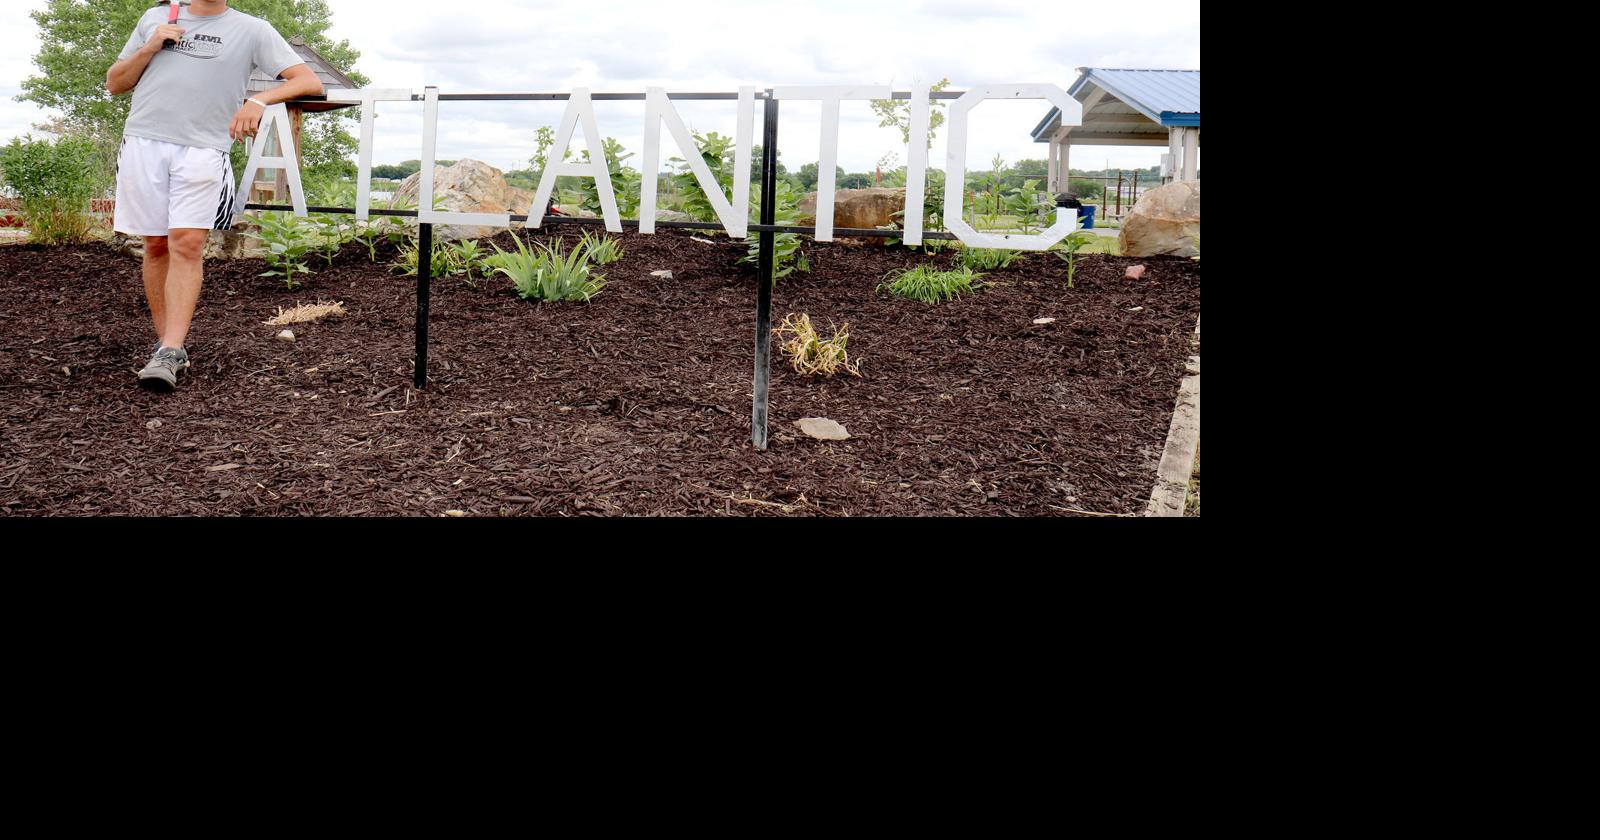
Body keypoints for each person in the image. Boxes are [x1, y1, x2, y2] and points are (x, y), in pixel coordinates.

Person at [106, 0, 323, 390]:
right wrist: (149, 46)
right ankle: (168, 347)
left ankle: (170, 350)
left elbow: (309, 81)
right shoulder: (156, 19)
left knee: (187, 244)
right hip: (144, 143)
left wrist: (257, 100)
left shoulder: (252, 29)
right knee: (155, 244)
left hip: (205, 149)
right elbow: (115, 83)